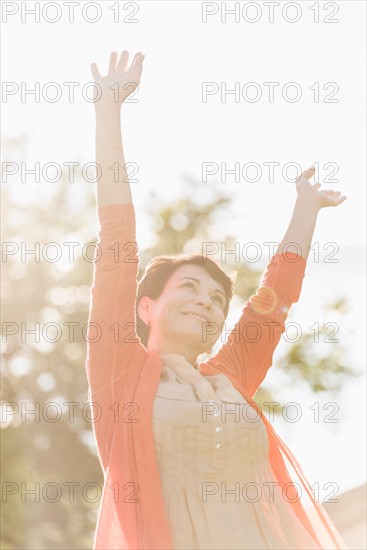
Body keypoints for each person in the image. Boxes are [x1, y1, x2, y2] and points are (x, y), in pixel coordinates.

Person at [86, 50, 349, 550]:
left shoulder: (231, 377)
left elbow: (274, 303)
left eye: (216, 298)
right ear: (146, 307)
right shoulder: (118, 371)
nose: (207, 302)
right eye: (189, 287)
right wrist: (108, 110)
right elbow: (117, 241)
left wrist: (306, 207)